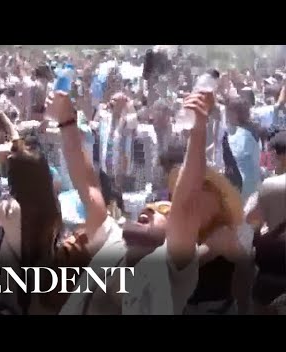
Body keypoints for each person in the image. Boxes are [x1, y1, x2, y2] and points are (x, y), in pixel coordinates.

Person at [46, 86, 246, 315]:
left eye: (163, 209)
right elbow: (88, 183)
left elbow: (186, 205)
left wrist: (198, 130)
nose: (150, 209)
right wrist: (66, 120)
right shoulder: (112, 238)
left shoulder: (168, 269)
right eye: (150, 206)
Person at [0, 110, 62, 315]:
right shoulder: (52, 205)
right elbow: (32, 164)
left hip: (13, 299)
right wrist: (7, 125)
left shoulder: (10, 211)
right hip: (43, 297)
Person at [246, 131, 286, 314]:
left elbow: (248, 219)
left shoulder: (272, 185)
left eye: (272, 156)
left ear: (280, 155)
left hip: (274, 272)